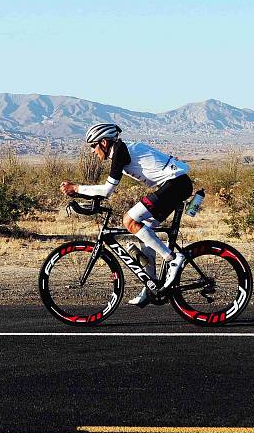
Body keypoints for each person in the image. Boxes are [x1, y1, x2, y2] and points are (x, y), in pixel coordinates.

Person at [59, 123, 193, 308]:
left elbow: (107, 190)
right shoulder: (120, 150)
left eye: (93, 146)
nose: (92, 151)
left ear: (104, 142)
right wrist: (79, 193)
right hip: (174, 185)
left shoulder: (120, 152)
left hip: (176, 184)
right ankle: (151, 285)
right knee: (145, 233)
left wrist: (77, 188)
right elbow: (107, 190)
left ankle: (173, 258)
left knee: (129, 220)